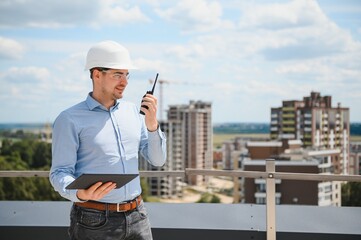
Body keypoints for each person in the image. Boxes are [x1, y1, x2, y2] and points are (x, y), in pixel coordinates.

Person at [50, 40, 167, 240]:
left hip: (137, 215)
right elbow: (59, 173)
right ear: (97, 74)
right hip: (93, 220)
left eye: (126, 75)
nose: (125, 82)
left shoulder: (134, 113)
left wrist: (152, 125)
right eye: (117, 75)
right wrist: (80, 193)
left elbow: (157, 160)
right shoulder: (69, 119)